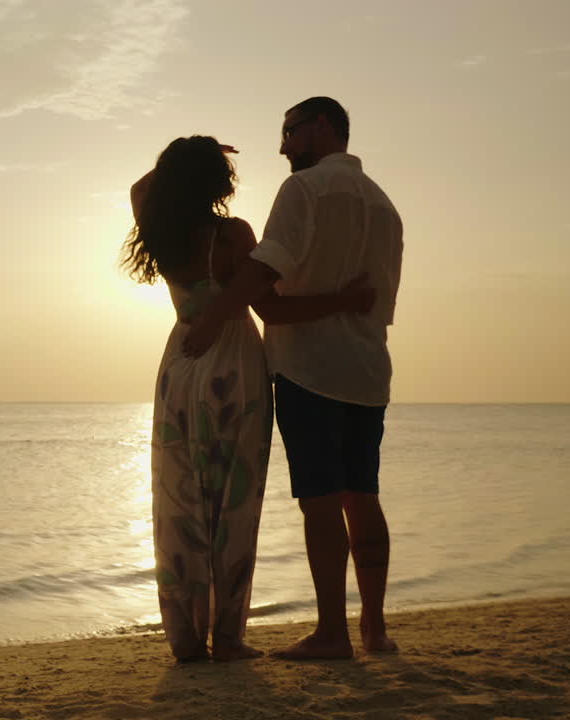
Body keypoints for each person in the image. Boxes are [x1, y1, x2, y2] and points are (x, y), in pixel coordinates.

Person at [125, 135, 375, 663]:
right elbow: (275, 312)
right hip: (233, 364)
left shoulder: (160, 227)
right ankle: (229, 637)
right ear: (219, 181)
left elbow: (141, 185)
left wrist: (183, 154)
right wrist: (347, 301)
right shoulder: (231, 234)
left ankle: (188, 637)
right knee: (233, 503)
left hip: (180, 362)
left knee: (181, 500)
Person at [181, 97, 404, 659]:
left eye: (290, 132)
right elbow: (378, 301)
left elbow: (264, 270)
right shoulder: (385, 205)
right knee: (364, 496)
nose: (283, 146)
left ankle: (333, 633)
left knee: (322, 502)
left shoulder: (303, 191)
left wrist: (212, 315)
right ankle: (374, 629)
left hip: (310, 370)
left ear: (322, 126)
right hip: (369, 371)